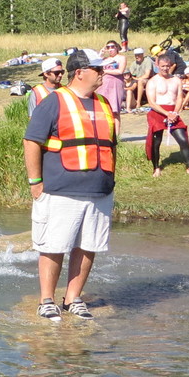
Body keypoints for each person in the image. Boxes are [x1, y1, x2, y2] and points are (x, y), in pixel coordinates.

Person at [23, 48, 117, 322]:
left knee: (89, 245)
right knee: (53, 245)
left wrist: (109, 183)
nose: (103, 73)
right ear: (80, 72)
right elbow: (32, 141)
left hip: (99, 190)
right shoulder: (55, 101)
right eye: (98, 69)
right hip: (60, 188)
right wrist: (36, 182)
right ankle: (47, 300)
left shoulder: (103, 103)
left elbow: (109, 145)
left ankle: (73, 297)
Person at [145, 55, 189, 177]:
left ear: (171, 66)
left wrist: (175, 112)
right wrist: (166, 113)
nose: (165, 69)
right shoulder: (153, 81)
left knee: (183, 139)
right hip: (158, 111)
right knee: (156, 141)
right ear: (158, 66)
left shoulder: (176, 80)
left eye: (167, 66)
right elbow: (151, 102)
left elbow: (179, 97)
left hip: (173, 111)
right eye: (162, 66)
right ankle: (156, 168)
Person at [96, 41, 125, 118]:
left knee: (115, 111)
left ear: (117, 47)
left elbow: (120, 71)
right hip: (104, 85)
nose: (110, 49)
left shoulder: (121, 58)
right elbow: (95, 65)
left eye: (112, 47)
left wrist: (106, 71)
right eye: (108, 47)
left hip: (115, 84)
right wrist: (101, 54)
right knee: (102, 109)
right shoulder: (105, 59)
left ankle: (117, 130)